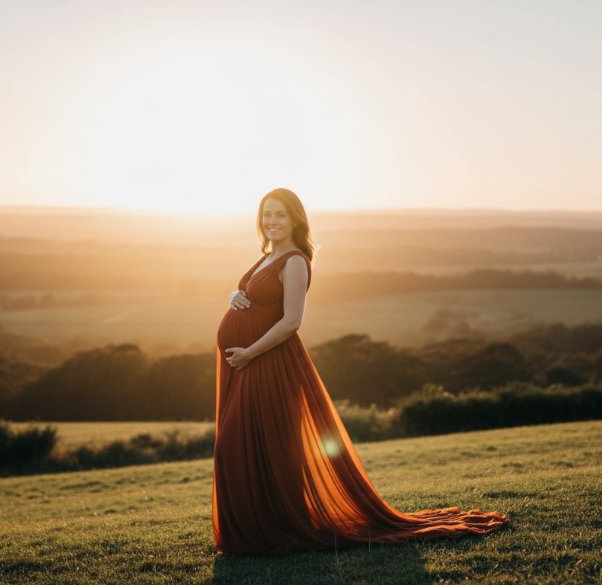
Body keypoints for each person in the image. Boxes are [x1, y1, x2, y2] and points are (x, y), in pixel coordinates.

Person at [212, 188, 511, 555]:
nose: (271, 221)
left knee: (249, 445)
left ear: (295, 220)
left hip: (267, 363)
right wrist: (234, 297)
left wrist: (249, 353)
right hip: (246, 363)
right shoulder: (267, 256)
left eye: (279, 215)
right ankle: (258, 532)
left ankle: (274, 529)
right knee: (242, 445)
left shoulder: (293, 261)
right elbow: (254, 296)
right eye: (266, 215)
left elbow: (292, 321)